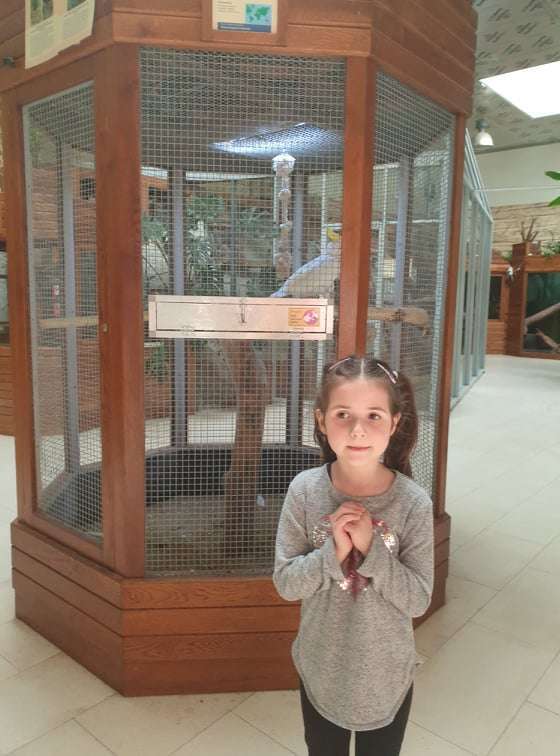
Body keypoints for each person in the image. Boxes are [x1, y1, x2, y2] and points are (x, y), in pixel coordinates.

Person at [273, 355, 434, 756]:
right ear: (321, 420)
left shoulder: (413, 502)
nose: (358, 429)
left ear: (394, 423)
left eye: (374, 415)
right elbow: (287, 584)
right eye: (343, 414)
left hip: (388, 673)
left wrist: (371, 549)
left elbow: (418, 599)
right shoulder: (304, 491)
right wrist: (335, 551)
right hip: (320, 665)